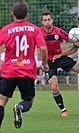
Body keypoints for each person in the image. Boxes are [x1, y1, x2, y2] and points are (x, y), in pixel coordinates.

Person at [0, 0, 49, 129]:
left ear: (12, 14)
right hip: (27, 70)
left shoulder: (5, 30)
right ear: (27, 14)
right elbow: (43, 48)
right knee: (28, 100)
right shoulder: (34, 29)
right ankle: (20, 107)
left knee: (1, 101)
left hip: (9, 70)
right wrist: (44, 64)